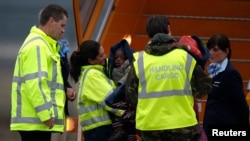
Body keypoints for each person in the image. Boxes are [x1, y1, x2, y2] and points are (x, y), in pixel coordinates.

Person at [125, 15, 212, 141]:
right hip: (183, 125)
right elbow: (203, 89)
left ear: (148, 34)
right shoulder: (184, 57)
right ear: (169, 29)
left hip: (150, 126)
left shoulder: (139, 60)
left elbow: (131, 96)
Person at [10, 4, 69, 141]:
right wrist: (46, 114)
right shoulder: (38, 46)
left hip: (35, 121)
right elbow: (36, 82)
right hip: (36, 121)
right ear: (51, 21)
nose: (63, 31)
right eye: (62, 25)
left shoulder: (42, 44)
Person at [69, 40, 125, 141]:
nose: (105, 57)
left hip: (97, 129)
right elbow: (111, 100)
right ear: (91, 60)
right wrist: (126, 113)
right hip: (101, 130)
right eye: (101, 55)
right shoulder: (93, 75)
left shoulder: (92, 73)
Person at [203, 34, 249, 140]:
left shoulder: (230, 73)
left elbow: (241, 106)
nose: (211, 53)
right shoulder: (214, 70)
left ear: (226, 51)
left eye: (215, 50)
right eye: (209, 49)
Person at [105, 39, 137, 141]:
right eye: (116, 57)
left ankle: (129, 135)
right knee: (114, 112)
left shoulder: (129, 65)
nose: (118, 60)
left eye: (122, 58)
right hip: (118, 96)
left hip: (125, 95)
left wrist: (120, 85)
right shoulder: (111, 68)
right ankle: (119, 129)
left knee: (127, 118)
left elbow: (128, 76)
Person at [58, 39, 76, 116]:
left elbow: (62, 78)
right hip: (50, 113)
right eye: (61, 26)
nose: (63, 31)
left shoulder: (61, 49)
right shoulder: (44, 50)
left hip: (62, 110)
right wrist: (65, 89)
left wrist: (70, 90)